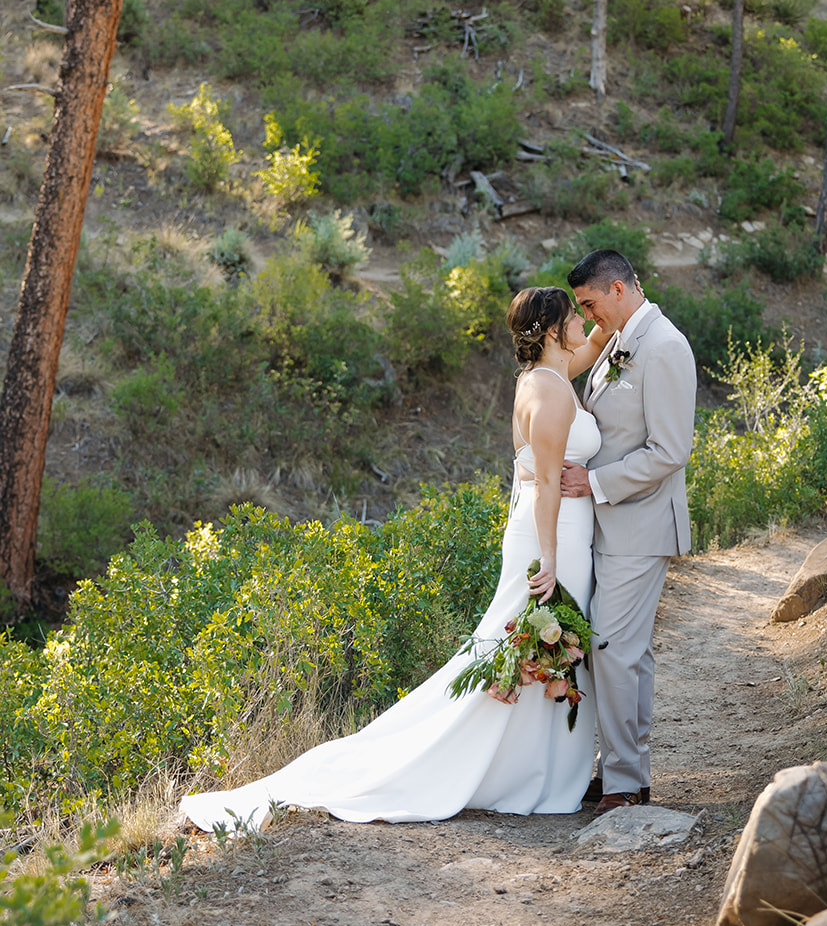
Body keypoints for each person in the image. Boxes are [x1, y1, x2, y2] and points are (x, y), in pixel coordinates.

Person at [180, 287, 609, 833]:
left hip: (555, 529)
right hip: (553, 536)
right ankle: (511, 771)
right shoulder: (550, 392)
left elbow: (595, 343)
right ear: (551, 330)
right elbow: (548, 480)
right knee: (531, 643)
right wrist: (548, 559)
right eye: (574, 315)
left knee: (529, 646)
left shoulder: (547, 375)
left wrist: (630, 307)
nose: (583, 320)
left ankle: (536, 767)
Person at [561, 250, 697, 818]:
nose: (588, 315)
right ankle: (626, 773)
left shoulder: (664, 347)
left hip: (640, 524)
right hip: (611, 526)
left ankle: (622, 780)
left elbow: (670, 451)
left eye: (590, 304)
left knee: (612, 649)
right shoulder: (617, 341)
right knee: (622, 655)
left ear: (619, 289)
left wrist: (594, 483)